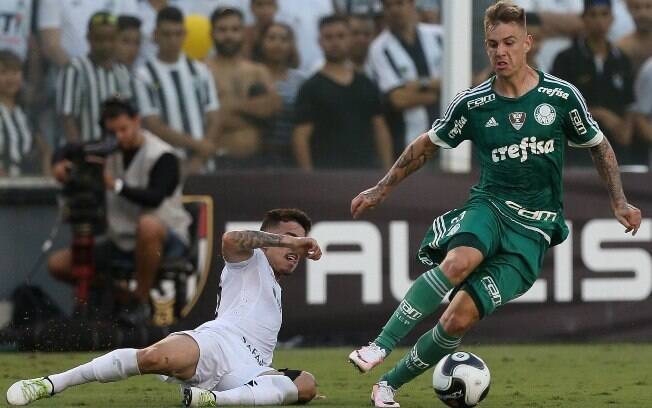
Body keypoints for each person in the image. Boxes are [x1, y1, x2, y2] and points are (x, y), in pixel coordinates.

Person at [347, 2, 642, 407]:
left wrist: (620, 201)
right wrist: (380, 189)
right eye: (492, 44)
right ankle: (379, 345)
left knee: (458, 319)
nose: (500, 51)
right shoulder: (473, 103)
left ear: (527, 43)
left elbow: (599, 145)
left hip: (536, 227)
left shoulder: (560, 96)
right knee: (459, 261)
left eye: (509, 42)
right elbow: (423, 148)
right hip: (489, 205)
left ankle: (388, 386)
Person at [7, 208, 322, 407]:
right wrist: (288, 241)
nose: (297, 246)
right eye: (289, 238)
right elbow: (231, 238)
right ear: (268, 241)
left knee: (306, 384)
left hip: (246, 369)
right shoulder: (248, 262)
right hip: (219, 342)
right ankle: (51, 383)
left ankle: (211, 400)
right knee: (154, 357)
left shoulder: (275, 291)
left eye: (302, 240)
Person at [47, 96, 192, 325]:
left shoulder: (163, 155)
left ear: (137, 121)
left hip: (165, 238)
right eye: (112, 131)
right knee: (58, 264)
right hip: (121, 240)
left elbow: (155, 198)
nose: (119, 137)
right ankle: (125, 299)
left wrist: (115, 185)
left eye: (124, 129)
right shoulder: (107, 148)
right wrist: (59, 165)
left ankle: (140, 303)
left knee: (148, 224)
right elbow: (69, 149)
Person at [293, 15, 393, 170]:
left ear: (350, 39)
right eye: (328, 37)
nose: (335, 42)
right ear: (320, 42)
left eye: (341, 36)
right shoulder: (310, 88)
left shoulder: (366, 84)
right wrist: (308, 177)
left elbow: (380, 129)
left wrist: (388, 174)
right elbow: (301, 136)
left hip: (365, 174)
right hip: (326, 176)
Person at [553, 0, 636, 166]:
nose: (599, 21)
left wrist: (627, 128)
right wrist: (601, 115)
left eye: (604, 14)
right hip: (579, 150)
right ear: (583, 18)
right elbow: (559, 107)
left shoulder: (622, 59)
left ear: (612, 18)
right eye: (593, 15)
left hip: (616, 150)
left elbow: (630, 103)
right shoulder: (566, 59)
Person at [138, 6, 220, 173]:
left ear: (185, 35)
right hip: (162, 165)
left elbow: (214, 116)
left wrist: (198, 159)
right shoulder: (144, 75)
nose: (172, 40)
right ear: (155, 35)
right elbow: (153, 124)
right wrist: (198, 145)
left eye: (177, 34)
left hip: (202, 165)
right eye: (166, 34)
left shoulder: (200, 70)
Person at [206, 7, 281, 169]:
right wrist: (253, 113)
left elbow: (272, 107)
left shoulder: (257, 70)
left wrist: (231, 107)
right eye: (222, 30)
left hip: (258, 160)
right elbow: (208, 118)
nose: (229, 35)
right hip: (217, 160)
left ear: (243, 33)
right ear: (211, 33)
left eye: (235, 29)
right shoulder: (202, 70)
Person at [367, 0, 443, 156]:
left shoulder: (439, 35)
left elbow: (465, 80)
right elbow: (398, 98)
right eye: (388, 6)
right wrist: (441, 90)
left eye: (399, 3)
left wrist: (416, 86)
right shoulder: (379, 48)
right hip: (410, 142)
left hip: (453, 137)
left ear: (412, 4)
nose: (394, 10)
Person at [56, 12, 139, 143]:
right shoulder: (75, 69)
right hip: (85, 151)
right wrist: (80, 153)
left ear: (117, 38)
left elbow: (128, 116)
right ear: (89, 38)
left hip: (115, 152)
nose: (105, 45)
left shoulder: (122, 72)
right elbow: (67, 117)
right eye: (99, 39)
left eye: (110, 39)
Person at [253, 23, 305, 168]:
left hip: (291, 154)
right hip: (257, 154)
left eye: (283, 39)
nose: (278, 44)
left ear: (291, 45)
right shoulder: (250, 75)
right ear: (262, 43)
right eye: (272, 38)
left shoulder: (301, 80)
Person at [0, 50, 48, 177]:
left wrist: (46, 178)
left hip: (26, 184)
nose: (11, 78)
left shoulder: (26, 113)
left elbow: (45, 149)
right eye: (3, 73)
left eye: (15, 72)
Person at [617, 0, 652, 75]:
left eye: (648, 6)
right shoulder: (622, 47)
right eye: (637, 7)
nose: (643, 13)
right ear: (629, 10)